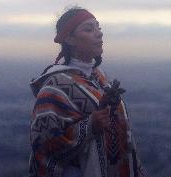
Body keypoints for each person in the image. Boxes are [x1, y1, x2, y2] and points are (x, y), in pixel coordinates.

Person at [29, 6, 147, 177]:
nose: (99, 33)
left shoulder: (100, 78)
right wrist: (89, 126)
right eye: (89, 29)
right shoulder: (54, 86)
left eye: (98, 27)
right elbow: (44, 143)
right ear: (69, 38)